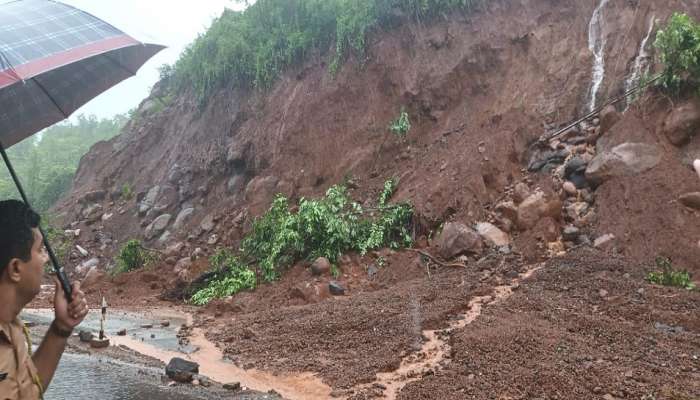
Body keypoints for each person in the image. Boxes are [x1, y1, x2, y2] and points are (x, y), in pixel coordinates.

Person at [0, 199, 88, 399]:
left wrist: (61, 328)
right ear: (15, 268)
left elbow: (28, 391)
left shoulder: (12, 326)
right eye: (40, 250)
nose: (46, 258)